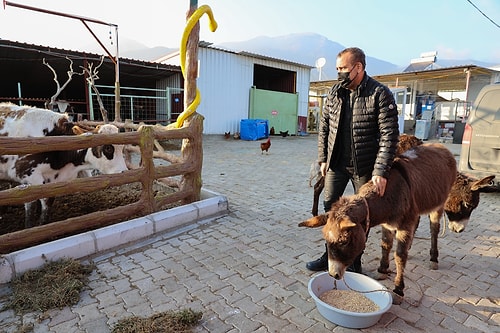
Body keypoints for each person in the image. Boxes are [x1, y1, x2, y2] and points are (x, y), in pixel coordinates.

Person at [306, 47, 400, 272]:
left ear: (358, 67)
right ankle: (330, 254)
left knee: (360, 215)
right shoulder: (334, 93)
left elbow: (390, 134)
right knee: (331, 210)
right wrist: (323, 158)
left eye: (343, 69)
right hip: (336, 164)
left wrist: (380, 171)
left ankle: (355, 261)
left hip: (365, 167)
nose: (339, 73)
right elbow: (324, 128)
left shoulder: (379, 94)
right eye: (337, 68)